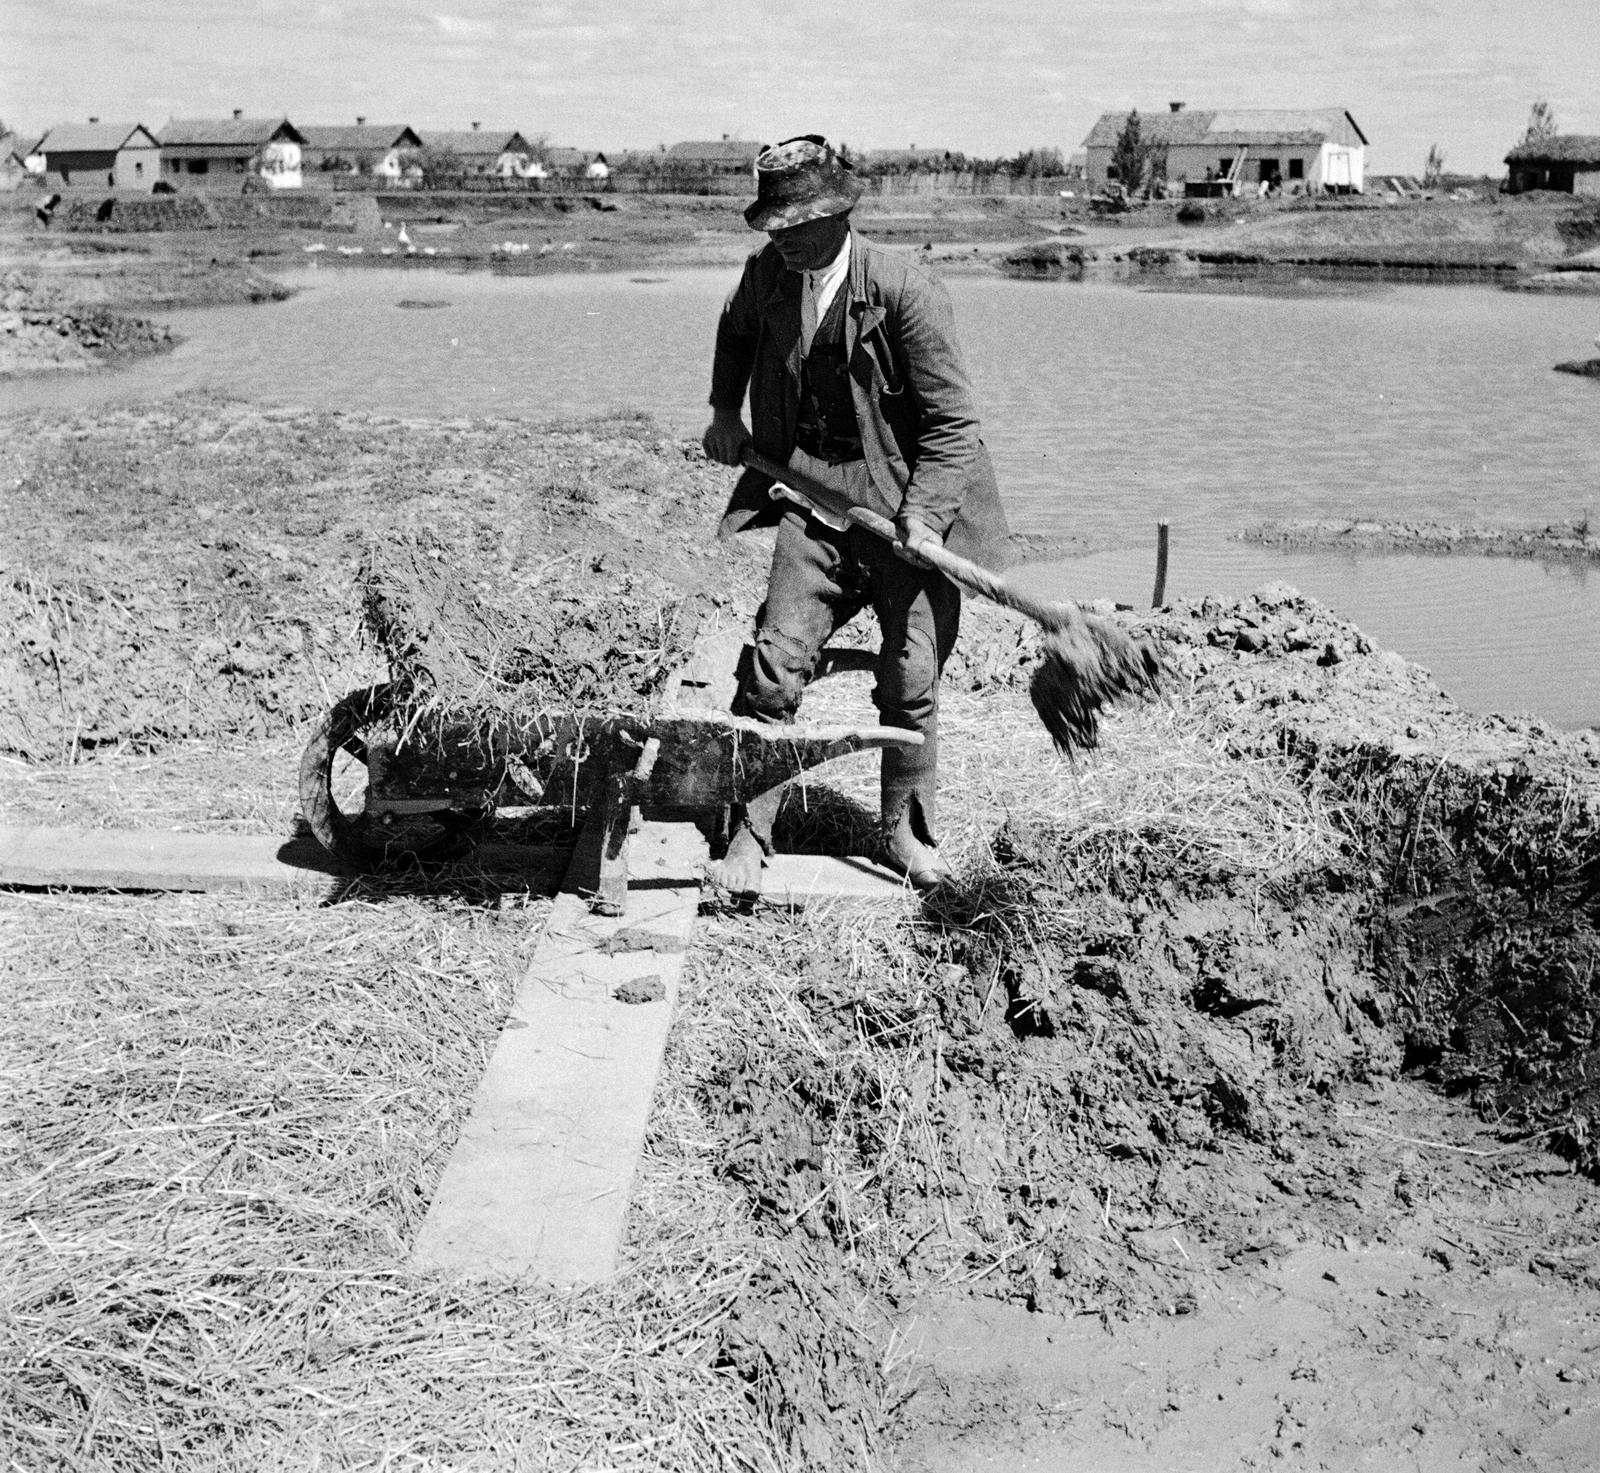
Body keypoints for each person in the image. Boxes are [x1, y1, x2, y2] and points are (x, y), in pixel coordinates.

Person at [702, 135, 1011, 896]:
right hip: (810, 497)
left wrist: (926, 518)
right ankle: (749, 828)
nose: (782, 237)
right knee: (774, 667)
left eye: (796, 223)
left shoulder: (906, 291)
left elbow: (951, 425)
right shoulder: (770, 276)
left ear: (839, 214)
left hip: (907, 503)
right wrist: (723, 408)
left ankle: (905, 829)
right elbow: (735, 329)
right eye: (773, 224)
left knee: (911, 677)